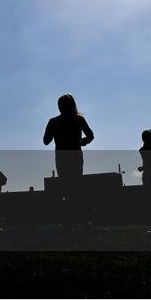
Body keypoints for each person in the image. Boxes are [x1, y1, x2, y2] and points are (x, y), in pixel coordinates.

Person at [43, 94, 94, 232]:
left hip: (63, 157)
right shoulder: (78, 120)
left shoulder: (54, 121)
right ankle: (80, 221)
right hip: (74, 156)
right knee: (75, 189)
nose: (60, 108)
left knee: (68, 189)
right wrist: (84, 141)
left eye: (61, 105)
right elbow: (90, 135)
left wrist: (54, 132)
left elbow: (46, 141)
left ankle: (70, 222)